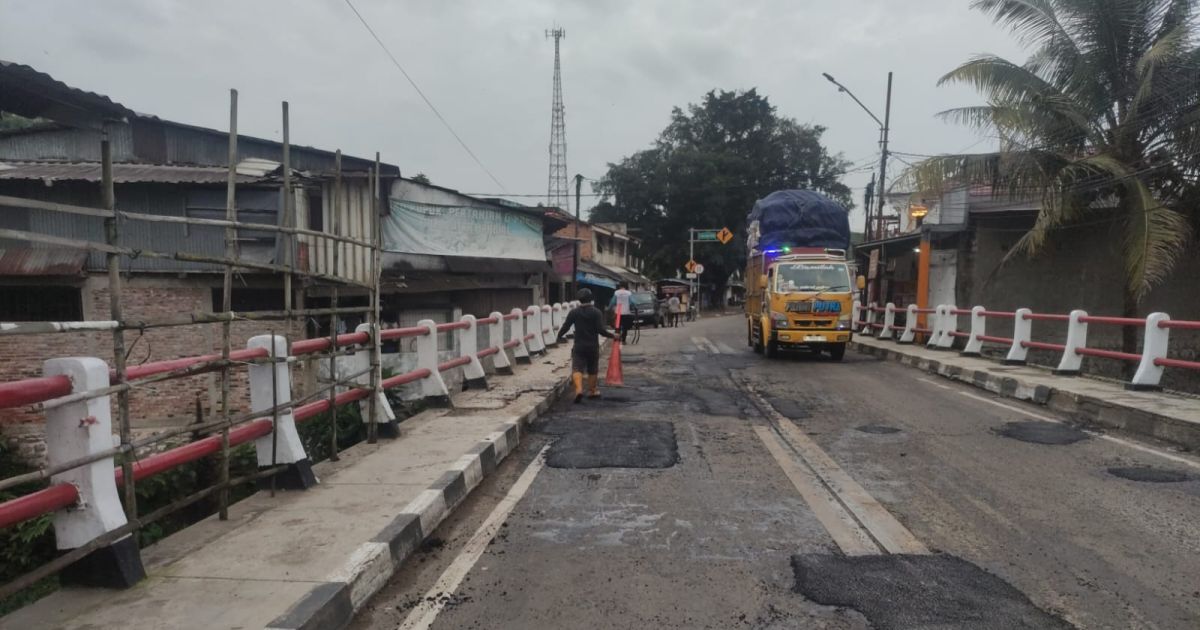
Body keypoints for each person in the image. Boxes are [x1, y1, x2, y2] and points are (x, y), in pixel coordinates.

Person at [558, 288, 615, 403]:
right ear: (591, 298)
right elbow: (601, 330)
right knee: (592, 369)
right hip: (592, 346)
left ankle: (579, 390)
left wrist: (559, 336)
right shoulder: (596, 312)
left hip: (579, 345)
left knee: (577, 368)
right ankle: (592, 391)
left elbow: (566, 326)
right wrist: (613, 336)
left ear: (579, 299)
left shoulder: (574, 312)